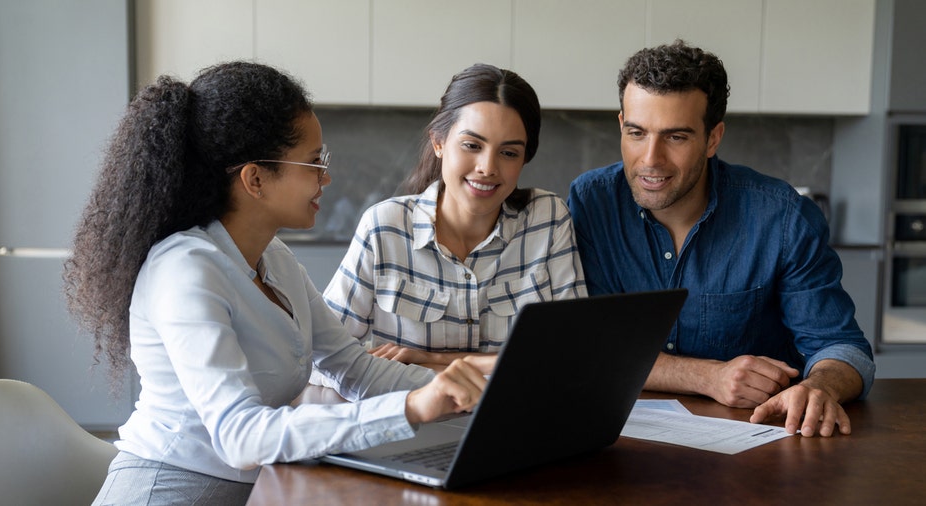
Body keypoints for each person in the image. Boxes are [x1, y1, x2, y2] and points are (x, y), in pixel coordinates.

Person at [63, 61, 494, 506]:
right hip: (169, 491)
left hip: (253, 491)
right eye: (312, 162)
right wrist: (412, 407)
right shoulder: (185, 269)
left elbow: (355, 368)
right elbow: (241, 437)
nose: (325, 177)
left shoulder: (275, 260)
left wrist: (467, 394)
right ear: (254, 179)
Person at [567, 41, 875, 438]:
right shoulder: (592, 203)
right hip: (622, 444)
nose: (650, 159)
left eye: (676, 137)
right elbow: (592, 347)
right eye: (636, 133)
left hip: (759, 444)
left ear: (713, 138)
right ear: (622, 123)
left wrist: (820, 387)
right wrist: (707, 376)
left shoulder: (782, 217)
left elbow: (843, 348)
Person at [321, 63, 586, 370]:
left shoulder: (548, 219)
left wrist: (434, 361)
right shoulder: (384, 227)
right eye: (472, 145)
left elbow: (575, 354)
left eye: (509, 153)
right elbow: (324, 356)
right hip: (409, 416)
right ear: (439, 143)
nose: (488, 167)